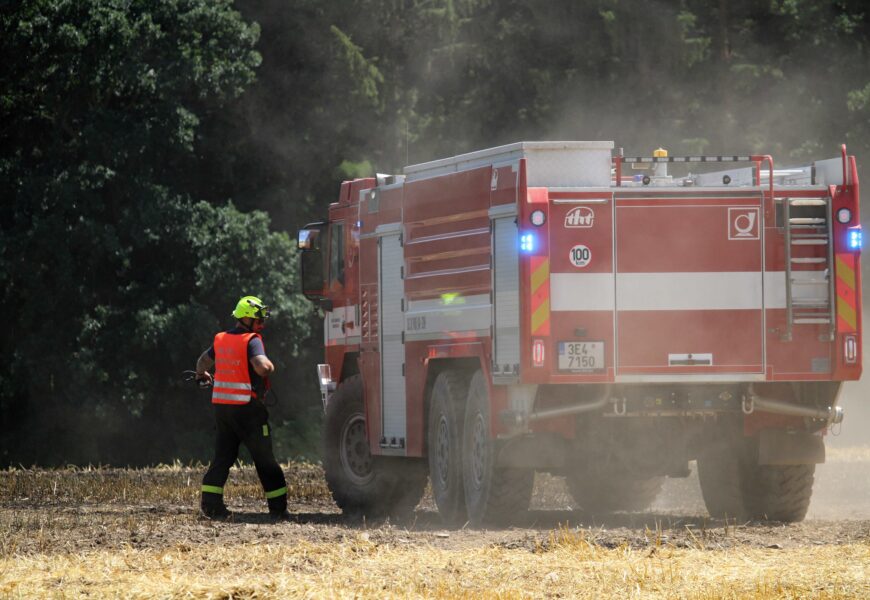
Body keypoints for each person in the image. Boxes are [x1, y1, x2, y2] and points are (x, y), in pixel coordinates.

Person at [194, 295, 289, 521]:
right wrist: (270, 366)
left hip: (223, 410)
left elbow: (202, 362)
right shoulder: (251, 340)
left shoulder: (220, 339)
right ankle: (278, 509)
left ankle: (211, 506)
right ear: (246, 318)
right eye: (258, 319)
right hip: (248, 411)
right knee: (265, 459)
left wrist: (201, 376)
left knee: (223, 457)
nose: (261, 324)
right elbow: (262, 367)